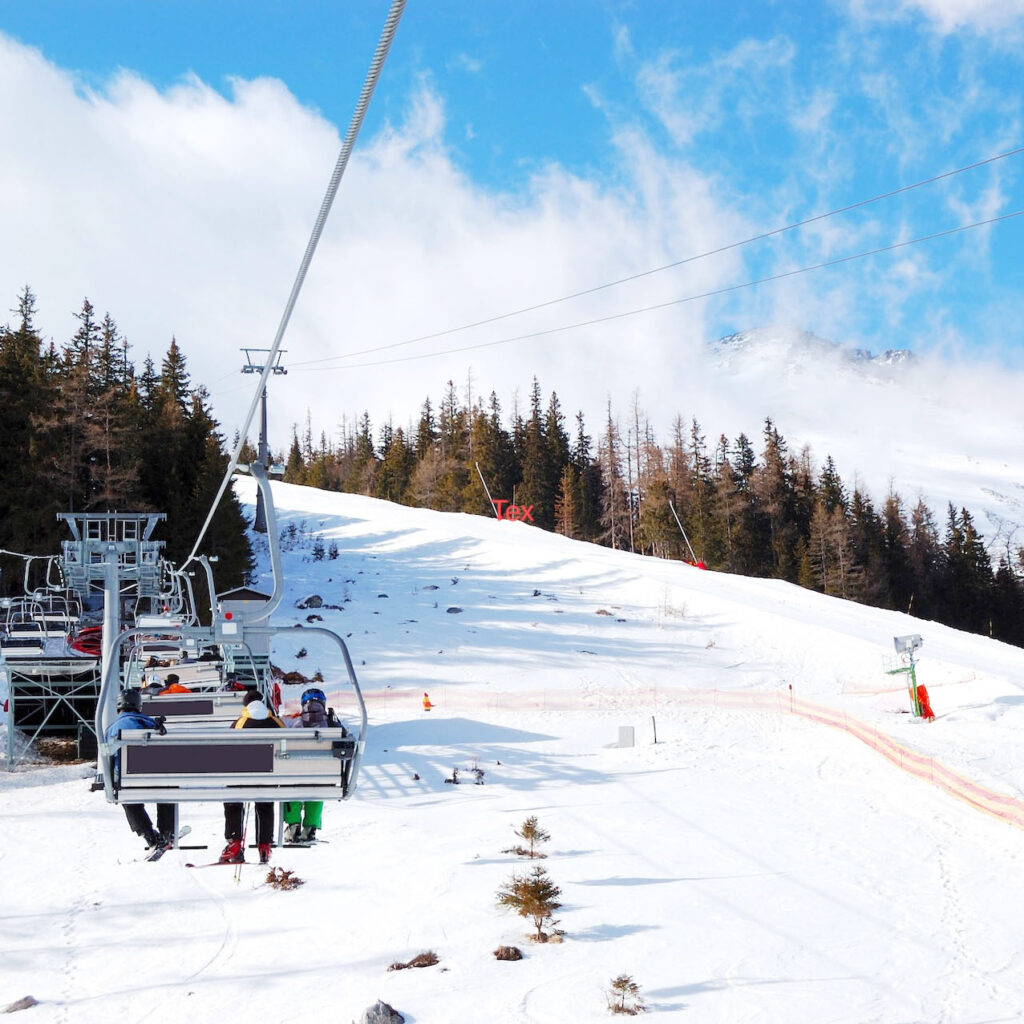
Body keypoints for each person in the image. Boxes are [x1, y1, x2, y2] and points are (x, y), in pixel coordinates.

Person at [104, 688, 177, 851]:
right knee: (168, 790)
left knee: (128, 799)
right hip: (157, 779)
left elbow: (110, 757)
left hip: (129, 782)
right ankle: (167, 832)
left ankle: (149, 835)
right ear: (139, 706)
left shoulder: (111, 729)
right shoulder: (151, 724)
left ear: (118, 707)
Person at [221, 689, 285, 864]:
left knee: (233, 798)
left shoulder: (240, 722)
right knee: (265, 801)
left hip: (242, 774)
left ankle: (234, 843)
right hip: (269, 774)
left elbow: (227, 750)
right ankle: (264, 845)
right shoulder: (275, 721)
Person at [282, 687, 342, 844]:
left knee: (290, 785)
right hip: (324, 778)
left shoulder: (295, 723)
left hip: (295, 776)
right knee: (318, 787)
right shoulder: (332, 725)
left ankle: (293, 826)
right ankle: (310, 828)